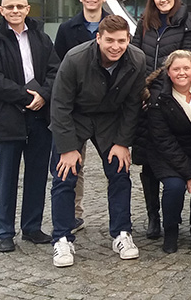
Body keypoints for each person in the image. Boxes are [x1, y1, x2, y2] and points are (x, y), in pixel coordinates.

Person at [48, 15, 146, 268]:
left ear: (128, 40)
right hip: (75, 117)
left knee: (120, 173)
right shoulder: (74, 58)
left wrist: (123, 142)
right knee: (64, 176)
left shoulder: (137, 59)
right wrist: (68, 148)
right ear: (98, 38)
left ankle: (122, 233)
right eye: (110, 40)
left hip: (111, 120)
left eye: (121, 41)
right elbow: (60, 106)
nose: (116, 46)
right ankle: (62, 237)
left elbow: (133, 105)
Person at [0, 0, 59, 253]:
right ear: (1, 10)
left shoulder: (42, 39)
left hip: (39, 118)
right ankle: (5, 232)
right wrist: (26, 97)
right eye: (9, 7)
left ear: (27, 9)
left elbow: (56, 71)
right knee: (7, 178)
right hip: (8, 118)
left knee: (36, 176)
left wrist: (44, 95)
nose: (15, 11)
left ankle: (32, 227)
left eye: (19, 6)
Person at [131, 0, 191, 240]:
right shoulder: (145, 23)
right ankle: (153, 216)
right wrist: (142, 90)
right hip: (145, 100)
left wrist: (160, 91)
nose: (162, 0)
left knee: (178, 154)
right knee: (148, 163)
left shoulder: (188, 22)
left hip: (171, 100)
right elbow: (135, 56)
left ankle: (184, 215)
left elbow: (187, 62)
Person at [145, 50, 191, 254]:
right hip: (168, 152)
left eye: (186, 68)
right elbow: (162, 140)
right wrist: (188, 172)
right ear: (168, 72)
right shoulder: (159, 97)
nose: (181, 73)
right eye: (176, 69)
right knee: (174, 187)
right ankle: (171, 230)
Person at [54, 0, 109, 234]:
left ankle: (121, 224)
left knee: (117, 167)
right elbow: (58, 69)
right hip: (76, 109)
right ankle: (74, 215)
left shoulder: (113, 26)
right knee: (72, 164)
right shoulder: (67, 29)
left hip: (107, 109)